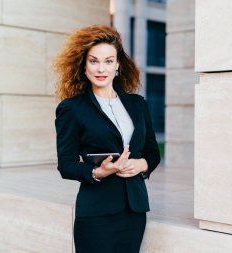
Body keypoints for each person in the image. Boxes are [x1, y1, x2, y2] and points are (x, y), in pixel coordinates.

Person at [53, 24, 161, 253]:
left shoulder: (137, 104)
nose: (101, 68)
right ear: (83, 65)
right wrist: (97, 172)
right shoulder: (72, 109)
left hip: (134, 211)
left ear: (118, 65)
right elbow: (66, 165)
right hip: (96, 214)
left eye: (108, 61)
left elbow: (152, 151)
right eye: (94, 61)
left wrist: (143, 164)